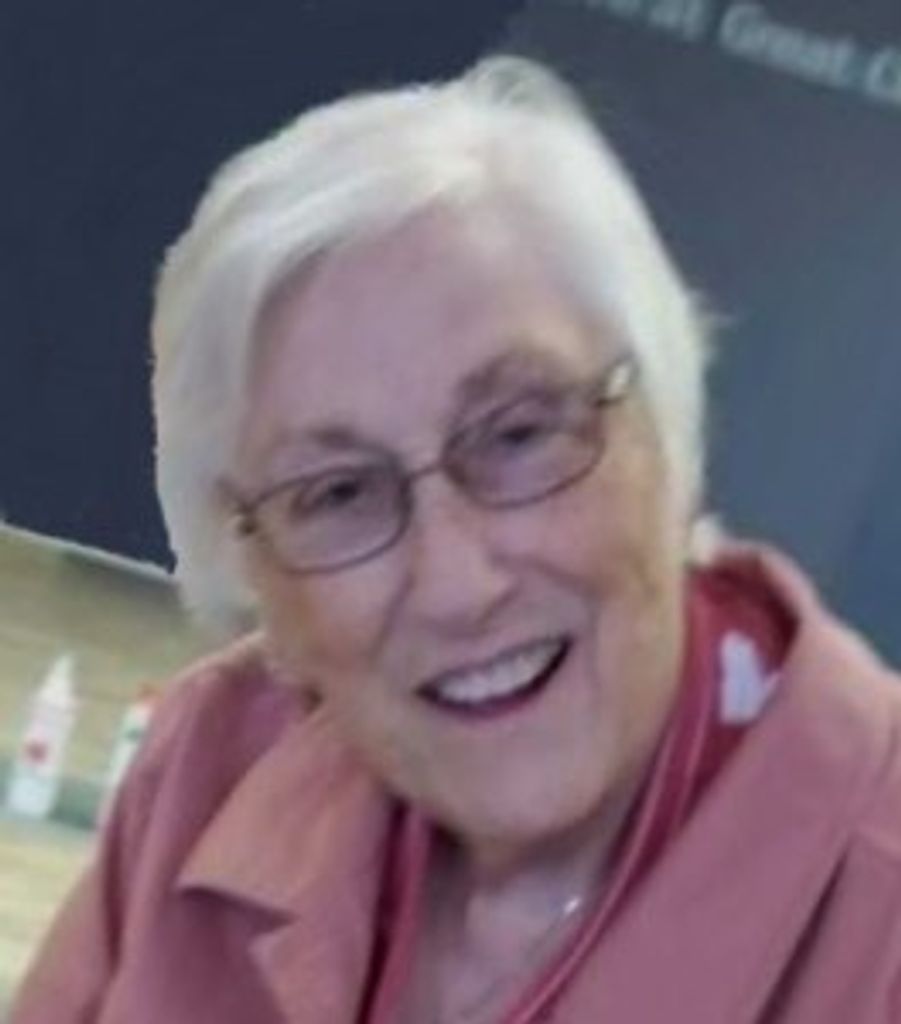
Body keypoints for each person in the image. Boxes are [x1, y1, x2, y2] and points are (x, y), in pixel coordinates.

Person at [10, 56, 901, 1024]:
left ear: (666, 432)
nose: (456, 584)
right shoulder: (208, 771)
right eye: (339, 491)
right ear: (253, 568)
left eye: (518, 435)